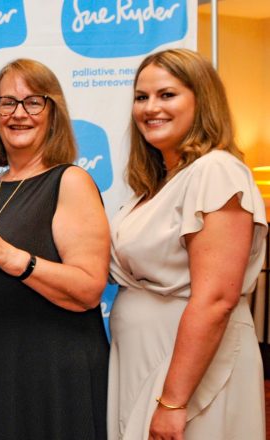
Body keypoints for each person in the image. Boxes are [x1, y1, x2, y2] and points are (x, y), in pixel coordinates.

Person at [108, 48, 267, 440]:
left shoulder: (217, 171)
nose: (150, 108)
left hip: (187, 370)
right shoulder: (157, 184)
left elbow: (216, 300)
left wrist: (174, 401)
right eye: (141, 97)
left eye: (167, 95)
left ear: (202, 99)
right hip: (145, 360)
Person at [0, 58, 110, 439]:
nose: (18, 113)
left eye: (32, 102)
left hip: (52, 372)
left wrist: (11, 258)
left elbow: (89, 289)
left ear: (53, 113)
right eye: (7, 103)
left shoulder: (70, 181)